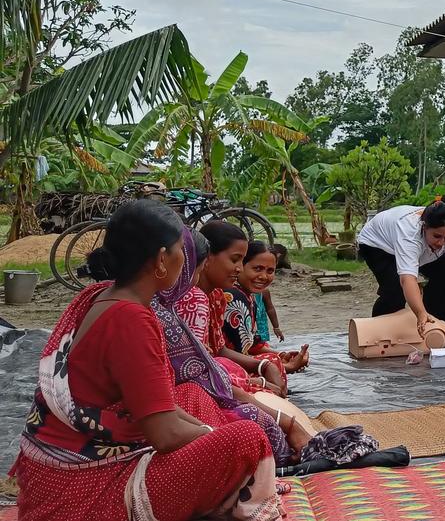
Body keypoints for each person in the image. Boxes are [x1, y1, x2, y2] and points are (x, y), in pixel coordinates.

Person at [13, 200, 281, 521]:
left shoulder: (103, 296)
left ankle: (226, 485)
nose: (187, 259)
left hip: (73, 464)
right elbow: (164, 435)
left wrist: (207, 436)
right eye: (182, 249)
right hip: (85, 489)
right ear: (160, 259)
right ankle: (241, 498)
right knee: (248, 439)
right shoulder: (131, 318)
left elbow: (160, 406)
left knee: (192, 396)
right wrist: (213, 437)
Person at [151, 229, 303, 466]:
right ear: (206, 259)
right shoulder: (196, 300)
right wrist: (261, 382)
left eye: (269, 270)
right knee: (249, 424)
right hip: (195, 393)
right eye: (236, 260)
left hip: (198, 388)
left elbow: (216, 352)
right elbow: (202, 369)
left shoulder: (214, 297)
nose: (240, 269)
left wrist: (264, 363)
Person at [357, 196, 445, 325]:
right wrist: (420, 313)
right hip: (378, 245)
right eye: (437, 236)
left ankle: (436, 324)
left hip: (419, 247)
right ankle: (378, 329)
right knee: (395, 289)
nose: (442, 243)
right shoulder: (410, 234)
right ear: (425, 227)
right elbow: (407, 279)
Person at [223, 241, 310, 375]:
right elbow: (238, 353)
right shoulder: (234, 298)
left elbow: (251, 346)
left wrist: (281, 355)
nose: (264, 277)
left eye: (270, 271)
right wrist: (285, 366)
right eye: (257, 269)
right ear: (241, 266)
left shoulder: (248, 296)